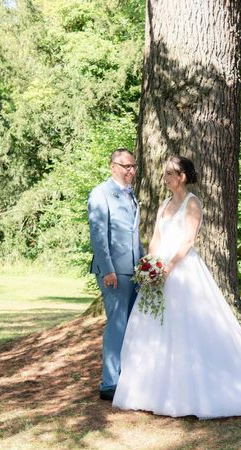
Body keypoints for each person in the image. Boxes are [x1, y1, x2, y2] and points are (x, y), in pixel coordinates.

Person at [113, 155, 241, 419]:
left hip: (183, 270)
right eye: (164, 173)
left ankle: (193, 392)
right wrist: (151, 265)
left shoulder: (192, 203)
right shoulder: (164, 204)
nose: (164, 178)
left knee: (187, 328)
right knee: (153, 327)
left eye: (169, 173)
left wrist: (168, 267)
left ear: (182, 177)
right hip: (159, 269)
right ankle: (148, 391)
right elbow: (156, 238)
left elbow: (188, 240)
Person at [88, 148, 143, 401]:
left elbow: (133, 235)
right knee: (117, 325)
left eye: (133, 166)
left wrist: (145, 266)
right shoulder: (101, 193)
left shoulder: (131, 196)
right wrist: (108, 269)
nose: (130, 170)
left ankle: (128, 377)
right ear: (113, 166)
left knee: (132, 326)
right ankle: (110, 382)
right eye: (125, 166)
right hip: (113, 272)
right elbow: (98, 236)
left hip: (134, 271)